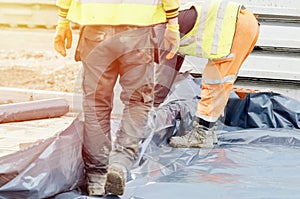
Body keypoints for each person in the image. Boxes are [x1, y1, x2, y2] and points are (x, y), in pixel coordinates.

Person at [53, 0, 180, 196]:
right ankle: (120, 163)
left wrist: (62, 22)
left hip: (95, 31)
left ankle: (96, 177)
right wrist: (173, 24)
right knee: (138, 101)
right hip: (138, 32)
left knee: (96, 104)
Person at [168, 1, 260, 148]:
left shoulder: (164, 28)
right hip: (241, 22)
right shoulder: (172, 20)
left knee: (216, 80)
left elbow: (167, 66)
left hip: (235, 25)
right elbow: (173, 60)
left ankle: (202, 134)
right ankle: (207, 130)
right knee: (220, 80)